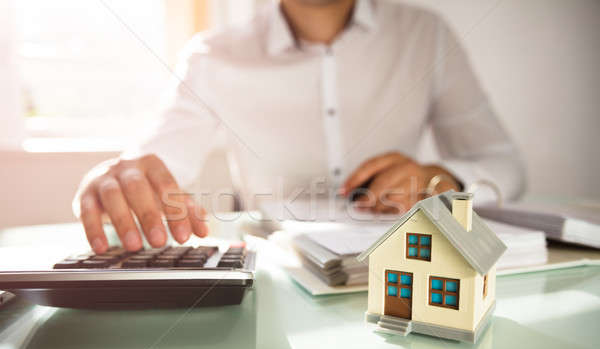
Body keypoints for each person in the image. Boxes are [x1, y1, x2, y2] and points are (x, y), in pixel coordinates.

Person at [73, 0, 525, 254]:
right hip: (273, 272)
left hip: (405, 263)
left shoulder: (427, 35)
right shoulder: (211, 55)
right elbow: (157, 162)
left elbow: (505, 166)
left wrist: (445, 179)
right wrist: (124, 178)